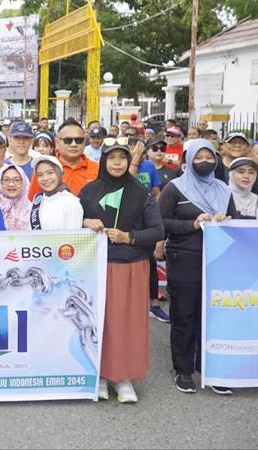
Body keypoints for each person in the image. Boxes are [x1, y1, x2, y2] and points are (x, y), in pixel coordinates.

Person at [79, 142, 164, 403]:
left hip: (130, 267)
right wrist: (83, 221)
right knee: (100, 322)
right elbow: (70, 220)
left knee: (126, 323)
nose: (117, 163)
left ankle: (124, 377)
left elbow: (158, 231)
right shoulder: (89, 191)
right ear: (103, 161)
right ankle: (101, 374)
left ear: (129, 162)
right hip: (96, 267)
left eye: (122, 158)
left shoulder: (140, 193)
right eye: (111, 158)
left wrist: (130, 237)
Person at [158, 139, 238, 395]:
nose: (204, 162)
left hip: (219, 261)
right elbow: (160, 222)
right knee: (184, 315)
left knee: (213, 316)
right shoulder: (175, 189)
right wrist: (191, 224)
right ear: (189, 159)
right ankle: (183, 370)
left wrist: (225, 220)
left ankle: (210, 369)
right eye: (199, 157)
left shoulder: (224, 190)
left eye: (209, 157)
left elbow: (235, 223)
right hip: (184, 259)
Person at [27, 118, 99, 199]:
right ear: (57, 143)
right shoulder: (43, 169)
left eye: (79, 140)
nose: (73, 144)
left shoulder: (97, 170)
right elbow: (33, 201)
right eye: (68, 140)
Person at [29, 155, 83, 230]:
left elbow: (73, 238)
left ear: (59, 173)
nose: (45, 178)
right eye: (40, 175)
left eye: (50, 173)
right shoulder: (37, 199)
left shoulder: (71, 202)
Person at [0, 165, 31, 231]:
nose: (11, 184)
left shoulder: (31, 208)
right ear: (1, 182)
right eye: (6, 180)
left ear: (23, 183)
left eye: (16, 180)